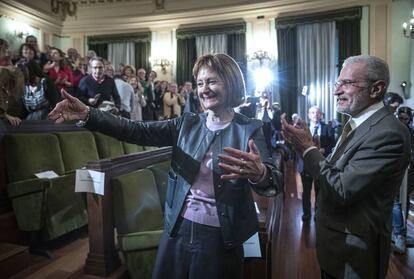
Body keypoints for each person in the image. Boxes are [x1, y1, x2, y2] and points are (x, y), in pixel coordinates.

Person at [49, 53, 283, 279]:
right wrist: (89, 114)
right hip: (177, 230)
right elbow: (133, 130)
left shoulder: (250, 128)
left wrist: (260, 173)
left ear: (231, 83)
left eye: (212, 81)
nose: (204, 89)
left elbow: (274, 181)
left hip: (221, 238)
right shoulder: (187, 123)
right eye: (200, 83)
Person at [281, 55, 411, 279]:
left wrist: (308, 149)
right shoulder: (356, 123)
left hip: (354, 256)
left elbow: (341, 189)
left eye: (347, 83)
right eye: (337, 83)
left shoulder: (389, 133)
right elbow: (336, 171)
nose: (336, 91)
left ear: (376, 89)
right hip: (336, 247)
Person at [300, 105, 335, 222]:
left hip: (321, 164)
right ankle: (306, 214)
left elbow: (333, 146)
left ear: (321, 115)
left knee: (319, 191)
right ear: (309, 115)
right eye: (313, 113)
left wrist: (324, 149)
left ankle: (318, 213)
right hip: (305, 165)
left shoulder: (328, 128)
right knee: (306, 191)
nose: (315, 115)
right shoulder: (302, 129)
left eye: (317, 113)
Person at [391, 106, 414, 254]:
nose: (403, 121)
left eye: (406, 119)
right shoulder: (393, 131)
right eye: (401, 118)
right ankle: (398, 233)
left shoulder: (411, 133)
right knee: (396, 202)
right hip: (393, 172)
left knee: (401, 202)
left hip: (408, 172)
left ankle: (400, 234)